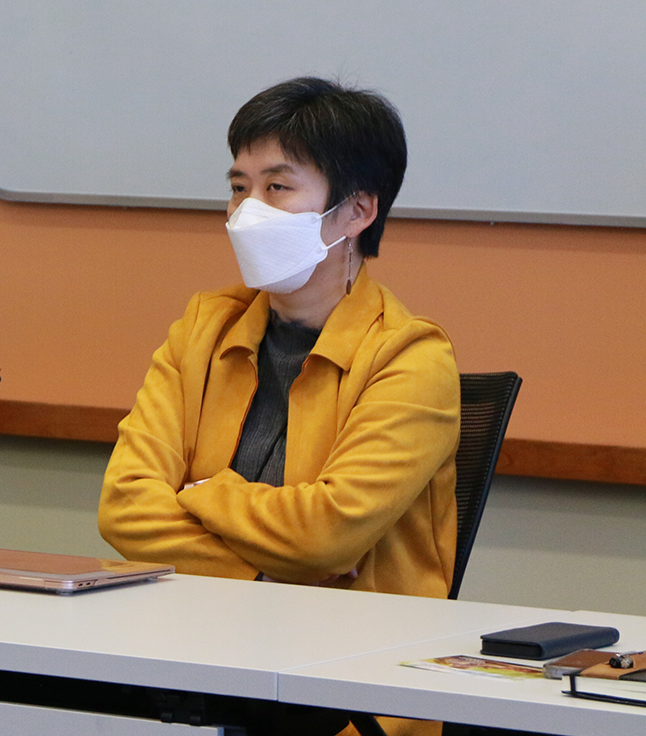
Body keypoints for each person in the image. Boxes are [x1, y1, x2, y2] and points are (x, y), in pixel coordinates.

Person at [99, 77, 458, 601]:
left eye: (277, 188)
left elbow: (324, 537)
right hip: (197, 630)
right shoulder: (204, 329)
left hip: (349, 651)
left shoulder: (410, 358)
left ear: (357, 211)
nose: (247, 212)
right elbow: (124, 508)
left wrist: (202, 493)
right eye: (239, 187)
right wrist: (265, 578)